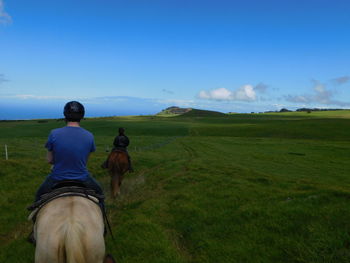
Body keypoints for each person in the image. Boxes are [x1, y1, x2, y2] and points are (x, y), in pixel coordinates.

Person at [35, 101, 104, 201]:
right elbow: (85, 160)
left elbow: (49, 160)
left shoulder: (54, 133)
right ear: (81, 116)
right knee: (100, 194)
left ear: (65, 115)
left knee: (38, 196)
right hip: (82, 178)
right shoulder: (89, 135)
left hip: (57, 177)